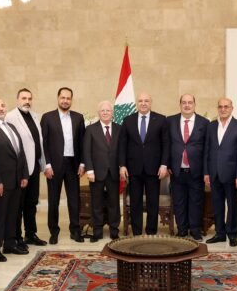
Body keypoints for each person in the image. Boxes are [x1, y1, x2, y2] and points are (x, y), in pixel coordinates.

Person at [118, 92, 170, 235]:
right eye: (140, 101)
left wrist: (164, 165)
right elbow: (122, 145)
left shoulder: (161, 119)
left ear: (150, 103)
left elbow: (166, 144)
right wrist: (122, 165)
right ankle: (136, 231)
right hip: (133, 168)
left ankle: (151, 231)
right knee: (135, 201)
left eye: (146, 101)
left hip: (154, 169)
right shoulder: (128, 120)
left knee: (153, 201)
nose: (143, 103)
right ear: (137, 103)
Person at [0, 97, 30, 255]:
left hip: (16, 180)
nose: (1, 108)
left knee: (12, 215)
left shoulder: (11, 126)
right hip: (1, 182)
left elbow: (20, 152)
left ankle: (10, 244)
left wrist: (24, 175)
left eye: (3, 105)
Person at [41, 87, 86, 242]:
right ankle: (54, 232)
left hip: (73, 164)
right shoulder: (47, 117)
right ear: (58, 98)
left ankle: (75, 230)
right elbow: (43, 143)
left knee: (74, 200)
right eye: (63, 98)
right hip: (54, 165)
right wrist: (46, 165)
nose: (65, 101)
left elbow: (82, 142)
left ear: (71, 100)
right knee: (53, 200)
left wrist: (82, 163)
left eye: (68, 98)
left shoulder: (79, 118)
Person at [5, 88, 46, 247]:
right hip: (20, 169)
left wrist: (43, 163)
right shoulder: (10, 117)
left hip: (34, 166)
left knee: (31, 203)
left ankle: (31, 234)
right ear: (17, 99)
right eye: (23, 98)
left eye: (29, 98)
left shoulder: (34, 116)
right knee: (18, 205)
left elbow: (38, 142)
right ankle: (16, 237)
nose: (27, 101)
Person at [204, 97, 237, 247]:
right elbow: (207, 150)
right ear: (218, 108)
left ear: (231, 108)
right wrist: (206, 173)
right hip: (214, 173)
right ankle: (220, 233)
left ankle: (232, 234)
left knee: (232, 205)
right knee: (217, 205)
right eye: (220, 106)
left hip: (232, 174)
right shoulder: (211, 126)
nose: (223, 109)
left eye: (226, 106)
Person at [166, 94, 209, 240]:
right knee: (179, 202)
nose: (187, 105)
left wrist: (206, 171)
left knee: (196, 201)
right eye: (184, 102)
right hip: (176, 170)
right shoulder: (170, 121)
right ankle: (182, 229)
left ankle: (195, 230)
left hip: (196, 170)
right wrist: (167, 164)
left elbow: (207, 149)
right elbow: (166, 145)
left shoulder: (204, 123)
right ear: (180, 105)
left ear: (194, 105)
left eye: (190, 102)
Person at [83, 101, 121, 241]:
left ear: (112, 113)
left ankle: (114, 231)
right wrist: (89, 170)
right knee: (96, 204)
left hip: (114, 173)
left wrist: (122, 167)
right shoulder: (90, 129)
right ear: (98, 113)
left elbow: (122, 150)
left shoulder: (119, 129)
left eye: (108, 110)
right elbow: (86, 151)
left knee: (114, 204)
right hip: (96, 173)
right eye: (102, 110)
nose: (105, 113)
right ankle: (97, 232)